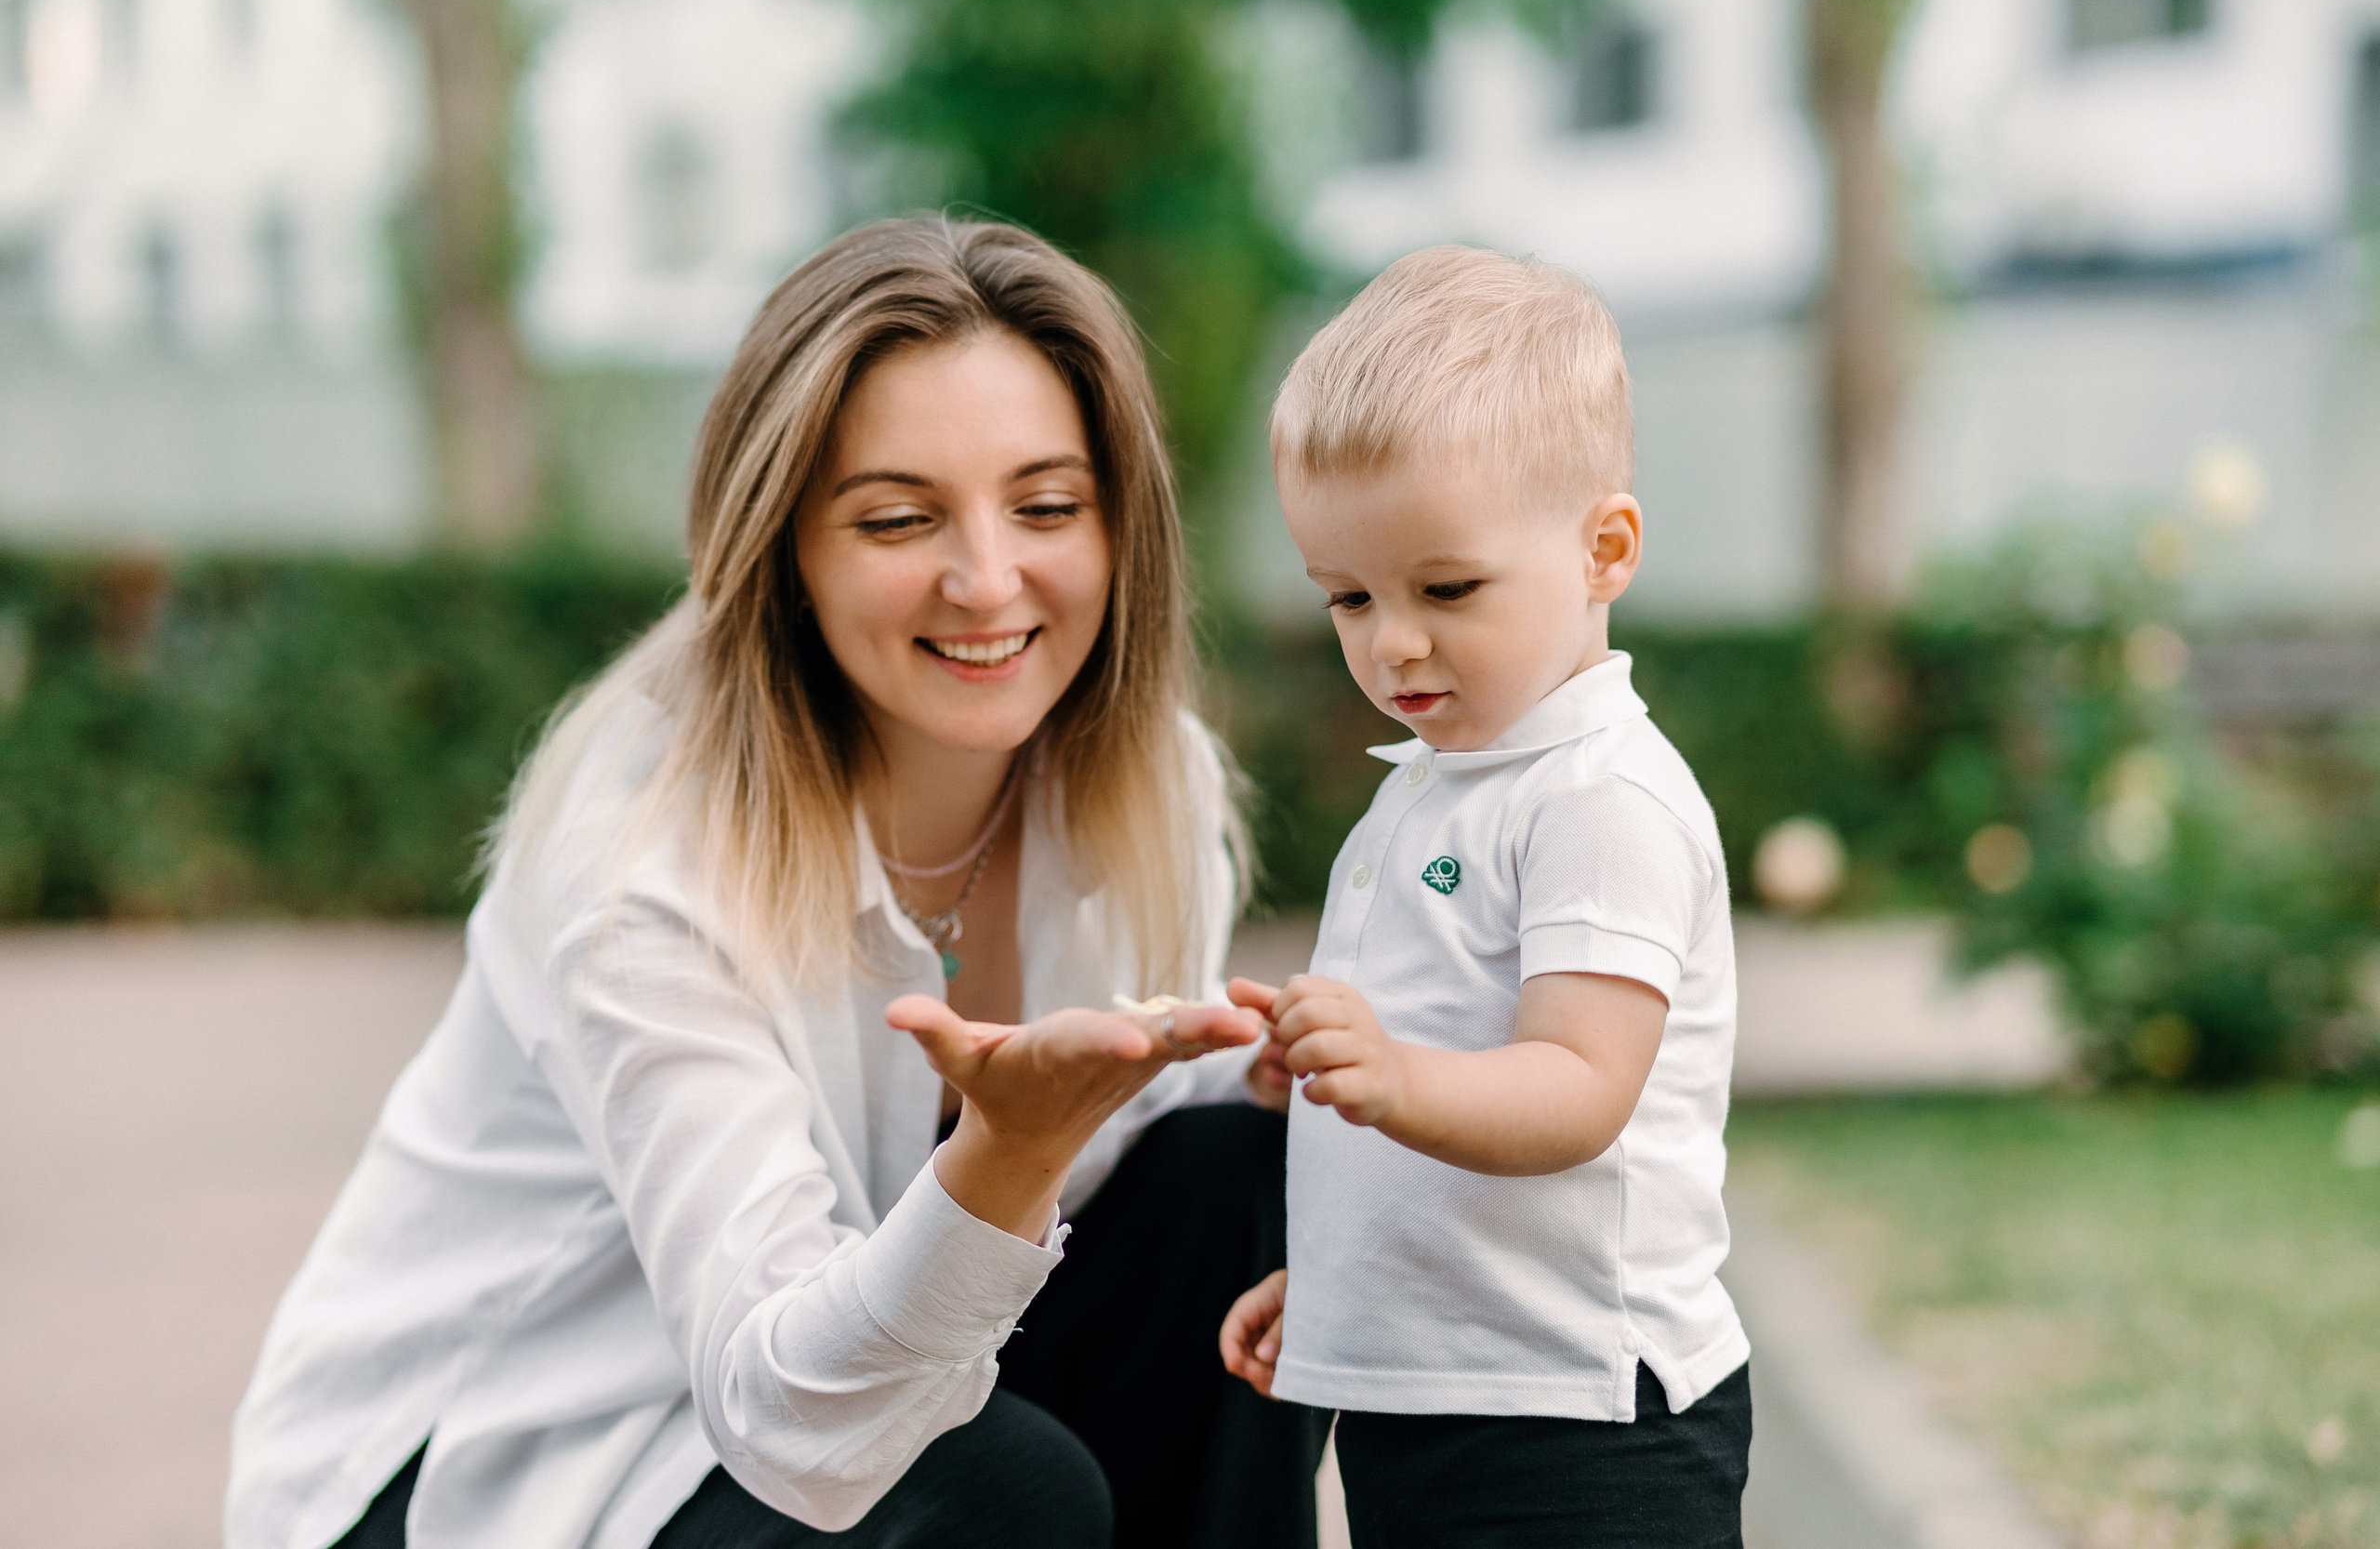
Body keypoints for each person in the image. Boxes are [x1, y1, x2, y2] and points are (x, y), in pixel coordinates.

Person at [226, 215, 1329, 1549]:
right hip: (498, 1465)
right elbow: (790, 1408)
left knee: (1247, 1174)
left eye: (1046, 506)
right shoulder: (648, 855)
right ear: (786, 547)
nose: (988, 581)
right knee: (1004, 1493)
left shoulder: (1153, 788)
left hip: (841, 1395)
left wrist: (1271, 1066)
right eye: (897, 517)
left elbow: (1110, 1144)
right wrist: (1006, 1152)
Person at [1217, 245, 1753, 1548]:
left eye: (1445, 589)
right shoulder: (1436, 786)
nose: (1391, 640)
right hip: (1452, 1390)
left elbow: (1575, 1087)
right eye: (1347, 596)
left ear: (1604, 549)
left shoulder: (1597, 798)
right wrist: (1352, 1289)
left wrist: (1391, 1076)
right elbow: (1446, 1077)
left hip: (1585, 1420)